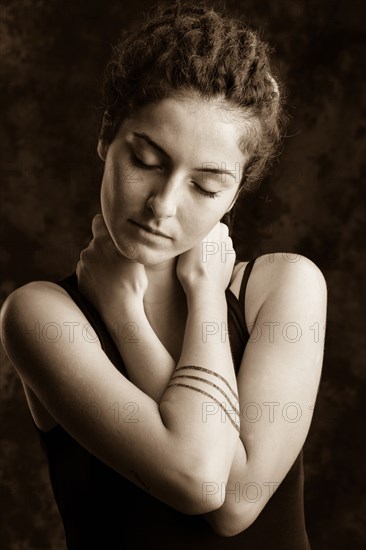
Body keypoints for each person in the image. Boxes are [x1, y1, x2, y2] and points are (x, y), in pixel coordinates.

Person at [0, 1, 327, 548]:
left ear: (234, 195)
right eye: (147, 161)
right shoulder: (40, 315)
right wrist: (120, 314)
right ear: (108, 134)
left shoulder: (284, 287)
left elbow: (235, 505)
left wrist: (200, 297)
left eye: (205, 187)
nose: (163, 204)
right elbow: (201, 480)